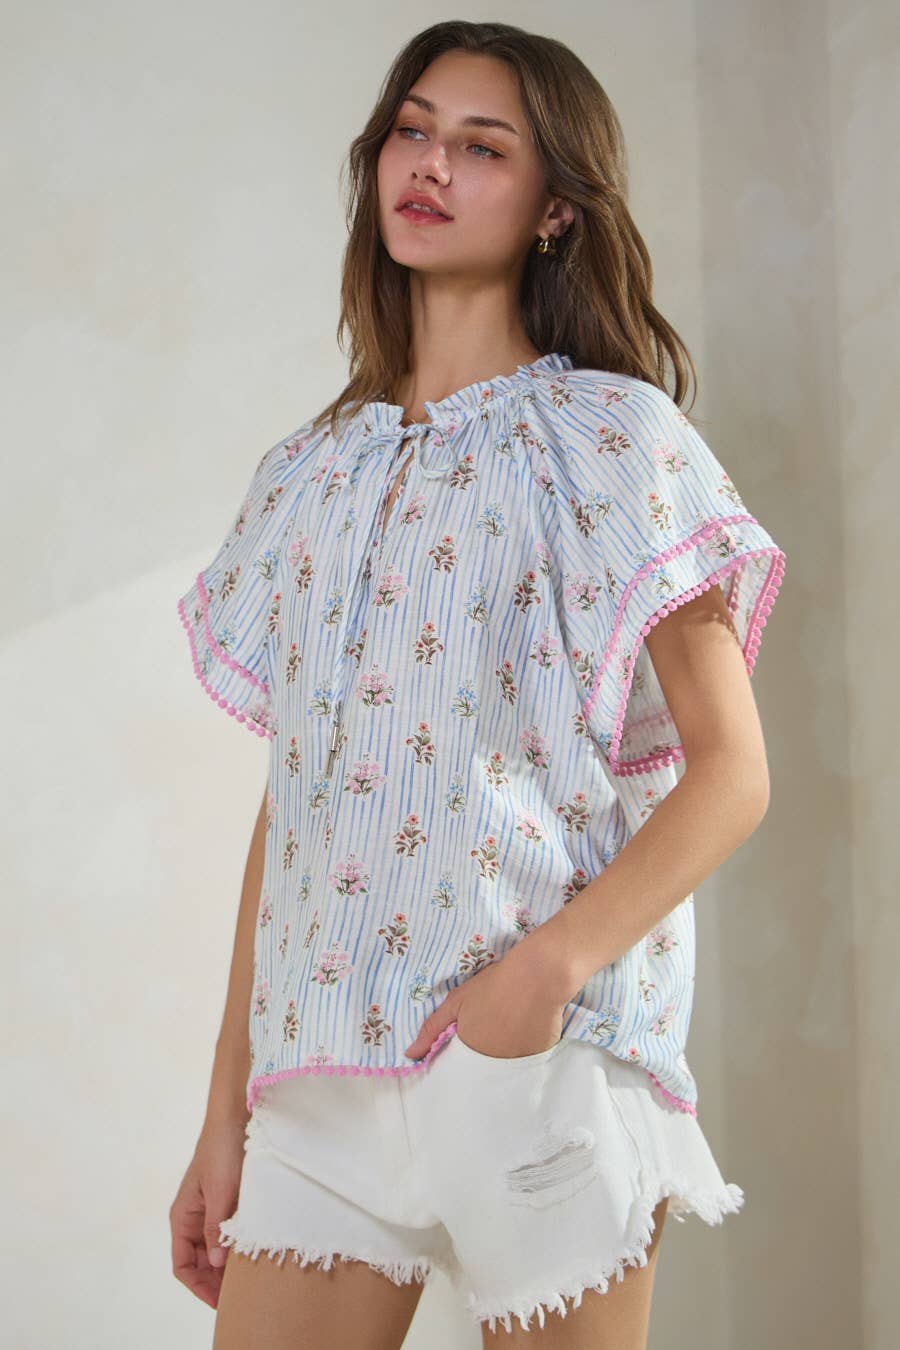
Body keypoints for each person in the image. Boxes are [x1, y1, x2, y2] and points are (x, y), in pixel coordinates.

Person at [169, 20, 786, 1349]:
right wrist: (228, 1109)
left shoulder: (616, 440)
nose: (431, 164)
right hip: (322, 1079)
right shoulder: (308, 475)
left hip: (536, 1062)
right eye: (413, 129)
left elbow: (733, 773)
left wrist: (542, 976)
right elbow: (300, 800)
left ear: (556, 207)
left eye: (482, 146)